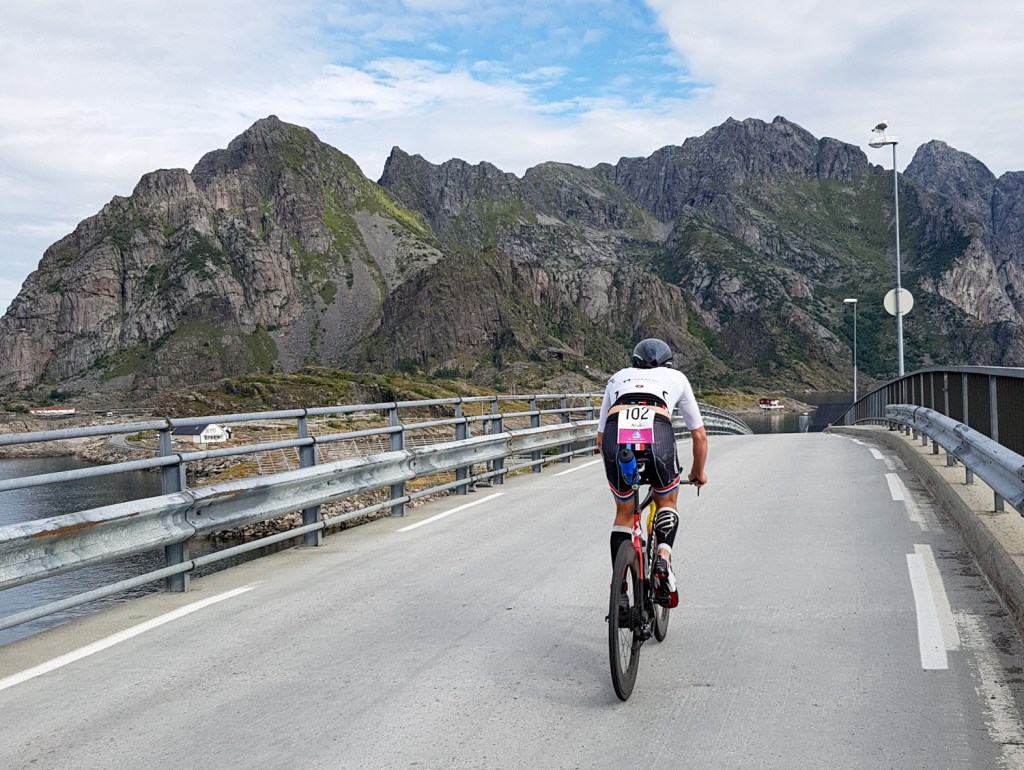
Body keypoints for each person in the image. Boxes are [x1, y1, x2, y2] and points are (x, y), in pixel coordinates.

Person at [595, 338, 708, 607]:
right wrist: (697, 472)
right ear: (668, 363)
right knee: (667, 500)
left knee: (624, 512)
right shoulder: (676, 377)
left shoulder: (618, 378)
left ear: (634, 362)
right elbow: (700, 436)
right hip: (658, 431)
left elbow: (600, 440)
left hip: (616, 433)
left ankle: (619, 590)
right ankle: (663, 558)